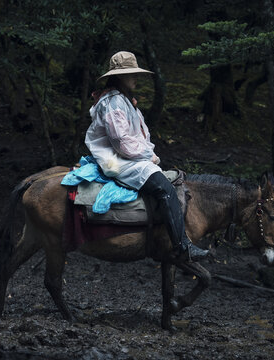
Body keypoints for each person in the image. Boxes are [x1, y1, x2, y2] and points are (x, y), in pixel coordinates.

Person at [85, 51, 209, 262]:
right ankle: (181, 246)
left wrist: (149, 154)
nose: (136, 78)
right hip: (117, 161)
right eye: (131, 74)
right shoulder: (113, 103)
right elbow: (121, 142)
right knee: (166, 189)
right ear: (119, 76)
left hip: (130, 157)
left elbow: (139, 136)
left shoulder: (125, 101)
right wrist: (147, 156)